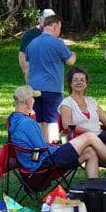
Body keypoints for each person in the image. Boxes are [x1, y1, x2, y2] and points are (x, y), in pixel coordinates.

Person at [8, 86, 106, 179]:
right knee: (89, 137)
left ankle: (93, 190)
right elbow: (42, 147)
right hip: (42, 163)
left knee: (90, 152)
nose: (34, 101)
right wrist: (59, 148)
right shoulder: (27, 123)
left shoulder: (13, 119)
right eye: (33, 98)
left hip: (37, 160)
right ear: (27, 101)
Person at [22, 14, 76, 142]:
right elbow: (70, 61)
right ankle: (52, 147)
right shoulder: (57, 43)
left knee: (38, 119)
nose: (59, 31)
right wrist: (73, 53)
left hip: (34, 88)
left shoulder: (32, 44)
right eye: (60, 28)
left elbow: (28, 66)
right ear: (55, 26)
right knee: (52, 120)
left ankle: (40, 146)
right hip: (52, 88)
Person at [59, 66, 106, 152]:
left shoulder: (91, 101)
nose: (79, 82)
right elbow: (67, 125)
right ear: (70, 83)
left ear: (86, 84)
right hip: (80, 138)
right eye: (76, 80)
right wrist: (89, 133)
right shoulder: (66, 103)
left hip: (98, 136)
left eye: (82, 80)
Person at [17, 7, 55, 83]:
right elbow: (22, 54)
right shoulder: (30, 34)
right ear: (40, 20)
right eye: (47, 19)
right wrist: (26, 70)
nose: (50, 22)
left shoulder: (53, 34)